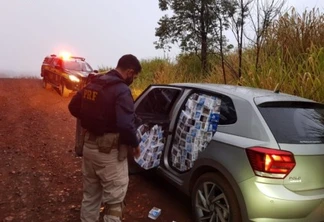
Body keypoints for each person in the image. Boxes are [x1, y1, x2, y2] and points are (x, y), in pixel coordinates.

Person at [68, 54, 142, 222]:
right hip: (109, 153)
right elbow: (125, 125)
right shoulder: (122, 89)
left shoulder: (94, 82)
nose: (133, 80)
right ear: (130, 72)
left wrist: (92, 120)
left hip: (89, 148)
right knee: (115, 203)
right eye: (134, 77)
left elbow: (73, 106)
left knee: (91, 197)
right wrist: (135, 144)